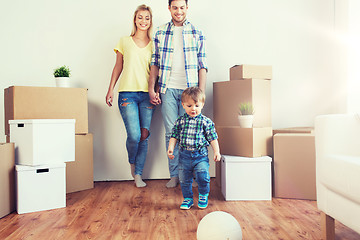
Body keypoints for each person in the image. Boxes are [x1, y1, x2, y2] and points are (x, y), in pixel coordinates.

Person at [148, 0, 208, 188]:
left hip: (190, 91)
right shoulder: (160, 32)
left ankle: (190, 176)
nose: (179, 11)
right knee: (171, 133)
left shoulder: (197, 32)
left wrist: (201, 93)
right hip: (167, 88)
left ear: (187, 8)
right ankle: (175, 175)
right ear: (169, 9)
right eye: (175, 7)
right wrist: (152, 88)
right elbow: (155, 63)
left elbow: (202, 65)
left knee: (192, 134)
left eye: (182, 7)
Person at [106, 4, 155, 188]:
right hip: (127, 93)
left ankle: (138, 174)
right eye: (140, 17)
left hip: (147, 95)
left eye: (147, 18)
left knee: (144, 135)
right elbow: (118, 66)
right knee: (134, 135)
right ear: (135, 19)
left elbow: (155, 71)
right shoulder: (124, 41)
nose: (143, 21)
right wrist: (110, 89)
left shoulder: (154, 44)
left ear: (151, 21)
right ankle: (132, 163)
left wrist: (155, 91)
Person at [167, 87, 221, 209]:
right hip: (184, 156)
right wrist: (171, 148)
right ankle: (188, 199)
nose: (193, 109)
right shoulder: (180, 121)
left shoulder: (206, 122)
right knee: (184, 179)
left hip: (200, 156)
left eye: (196, 105)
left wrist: (216, 151)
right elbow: (174, 136)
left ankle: (203, 195)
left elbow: (212, 137)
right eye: (189, 105)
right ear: (183, 105)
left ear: (202, 104)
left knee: (203, 175)